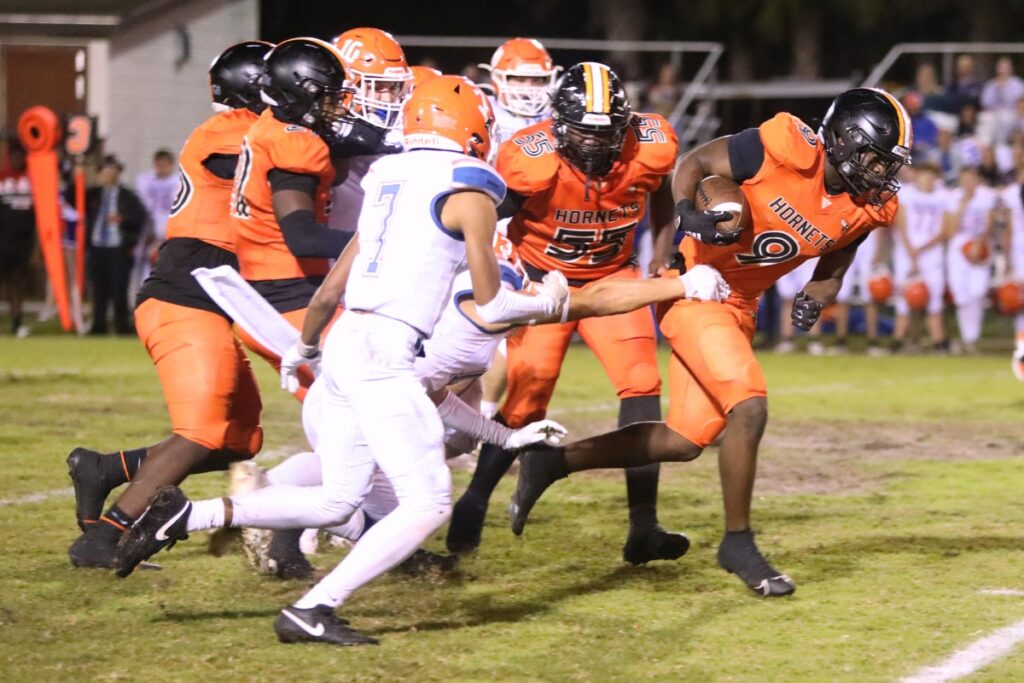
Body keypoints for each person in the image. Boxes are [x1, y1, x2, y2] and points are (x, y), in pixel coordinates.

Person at [114, 75, 572, 646]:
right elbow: (494, 301)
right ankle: (314, 609)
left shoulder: (386, 180)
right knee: (427, 501)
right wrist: (551, 299)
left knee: (338, 500)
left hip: (346, 341)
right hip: (383, 353)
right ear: (473, 127)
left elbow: (332, 287)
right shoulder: (471, 188)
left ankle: (187, 516)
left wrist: (303, 348)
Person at [507, 87, 911, 597]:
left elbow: (833, 268)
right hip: (695, 286)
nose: (881, 175)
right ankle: (738, 543)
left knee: (684, 438)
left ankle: (552, 461)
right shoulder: (786, 146)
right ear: (844, 140)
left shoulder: (865, 209)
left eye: (887, 165)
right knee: (749, 407)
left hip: (740, 306)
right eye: (875, 159)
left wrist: (816, 295)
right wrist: (687, 213)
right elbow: (697, 162)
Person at [446, 62, 686, 564]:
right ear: (559, 123)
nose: (596, 144)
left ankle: (644, 525)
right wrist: (499, 273)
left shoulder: (650, 143)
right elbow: (486, 215)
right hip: (543, 283)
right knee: (528, 393)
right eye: (584, 132)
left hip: (614, 277)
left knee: (642, 385)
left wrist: (663, 249)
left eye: (606, 132)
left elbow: (661, 188)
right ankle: (475, 502)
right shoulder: (531, 158)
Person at [65, 41, 274, 569]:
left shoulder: (261, 130)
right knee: (201, 431)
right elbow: (253, 160)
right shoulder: (227, 131)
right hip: (187, 292)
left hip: (217, 296)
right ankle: (106, 537)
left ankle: (105, 468)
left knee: (241, 438)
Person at [228, 37, 356, 400]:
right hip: (290, 298)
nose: (337, 104)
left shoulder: (272, 125)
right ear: (300, 94)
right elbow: (303, 237)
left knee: (339, 421)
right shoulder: (294, 145)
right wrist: (379, 238)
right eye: (328, 95)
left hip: (267, 293)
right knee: (379, 396)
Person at [477, 37, 561, 418]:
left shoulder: (562, 120)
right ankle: (474, 421)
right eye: (518, 80)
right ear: (496, 79)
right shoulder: (481, 113)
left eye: (536, 81)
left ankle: (481, 420)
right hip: (481, 229)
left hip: (528, 237)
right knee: (474, 333)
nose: (528, 90)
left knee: (509, 337)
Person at [83, 154, 147, 335]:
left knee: (119, 288)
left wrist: (123, 220)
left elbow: (139, 218)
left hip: (118, 247)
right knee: (98, 288)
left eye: (112, 169)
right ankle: (98, 325)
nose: (108, 173)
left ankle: (121, 325)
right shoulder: (93, 195)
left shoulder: (127, 196)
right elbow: (73, 197)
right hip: (97, 247)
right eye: (105, 169)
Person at [891, 163, 949, 352]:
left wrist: (922, 249)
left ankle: (938, 341)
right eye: (924, 174)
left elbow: (945, 229)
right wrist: (912, 253)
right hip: (907, 251)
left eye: (930, 175)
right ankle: (898, 339)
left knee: (934, 296)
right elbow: (901, 224)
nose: (927, 179)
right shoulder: (906, 193)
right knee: (904, 296)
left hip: (931, 252)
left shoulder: (943, 196)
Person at [945, 165, 996, 354]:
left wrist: (980, 244)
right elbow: (950, 231)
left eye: (972, 179)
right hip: (958, 248)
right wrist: (963, 206)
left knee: (977, 292)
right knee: (961, 296)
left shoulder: (986, 197)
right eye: (965, 179)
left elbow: (989, 224)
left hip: (978, 246)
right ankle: (969, 339)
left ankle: (971, 338)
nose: (968, 184)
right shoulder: (953, 198)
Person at [0, 142, 35, 337]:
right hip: (3, 238)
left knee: (18, 281)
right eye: (14, 156)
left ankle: (17, 322)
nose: (17, 160)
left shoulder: (32, 178)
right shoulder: (2, 177)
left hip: (24, 240)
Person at [133, 148, 178, 293]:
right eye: (159, 164)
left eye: (165, 164)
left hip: (169, 233)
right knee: (145, 269)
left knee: (168, 268)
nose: (161, 168)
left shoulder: (178, 181)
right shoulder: (145, 179)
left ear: (171, 165)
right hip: (148, 233)